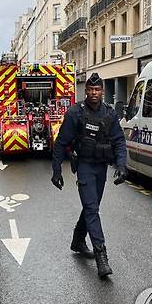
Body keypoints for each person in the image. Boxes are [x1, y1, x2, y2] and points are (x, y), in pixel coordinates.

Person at [51, 73, 127, 279]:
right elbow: (61, 143)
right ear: (86, 91)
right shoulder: (75, 113)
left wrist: (121, 165)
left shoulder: (110, 114)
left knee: (91, 206)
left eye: (98, 90)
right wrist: (57, 170)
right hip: (84, 166)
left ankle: (77, 240)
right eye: (91, 90)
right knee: (92, 208)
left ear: (102, 91)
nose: (94, 93)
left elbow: (119, 141)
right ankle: (102, 256)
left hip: (101, 167)